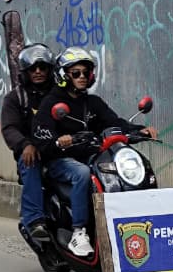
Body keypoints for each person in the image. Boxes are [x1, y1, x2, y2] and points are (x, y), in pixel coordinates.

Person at [31, 47, 154, 258]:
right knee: (82, 174)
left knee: (133, 170)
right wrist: (59, 141)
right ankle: (79, 233)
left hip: (91, 155)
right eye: (76, 73)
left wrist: (139, 130)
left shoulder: (92, 102)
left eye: (85, 73)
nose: (82, 77)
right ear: (64, 75)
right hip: (61, 160)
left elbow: (114, 122)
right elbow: (41, 137)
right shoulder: (52, 103)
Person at [0, 43, 55, 242]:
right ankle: (34, 220)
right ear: (25, 71)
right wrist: (25, 144)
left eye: (43, 67)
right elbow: (9, 128)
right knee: (31, 162)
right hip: (33, 153)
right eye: (33, 68)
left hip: (58, 149)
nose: (38, 72)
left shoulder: (58, 94)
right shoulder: (16, 98)